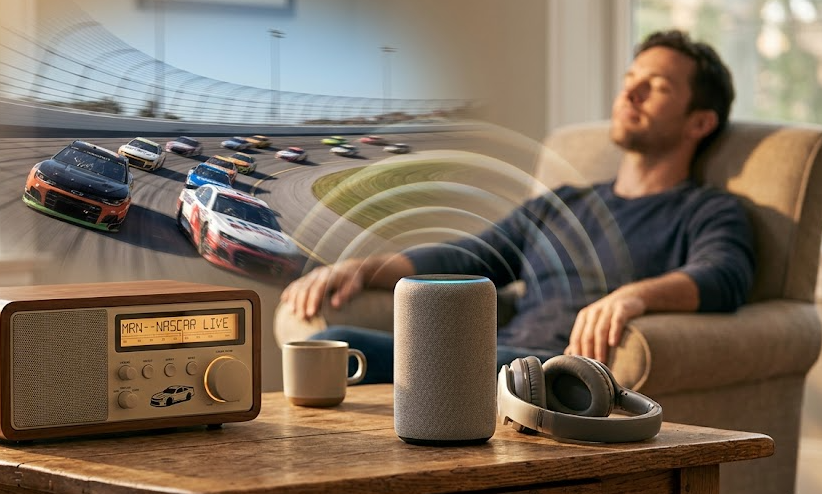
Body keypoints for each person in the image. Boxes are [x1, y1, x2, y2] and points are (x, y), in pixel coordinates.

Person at [279, 29, 756, 384]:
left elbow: (724, 275)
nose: (629, 93)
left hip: (557, 373)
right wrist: (361, 268)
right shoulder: (565, 204)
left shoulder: (709, 211)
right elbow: (470, 258)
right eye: (631, 79)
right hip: (500, 357)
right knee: (329, 349)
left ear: (700, 122)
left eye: (657, 86)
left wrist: (632, 297)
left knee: (333, 352)